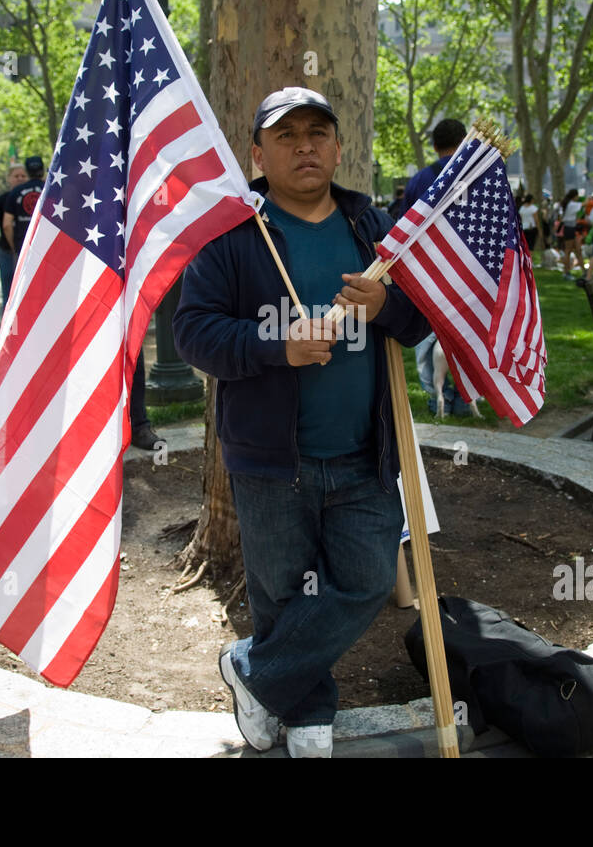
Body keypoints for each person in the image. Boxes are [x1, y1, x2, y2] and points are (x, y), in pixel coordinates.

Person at [174, 86, 429, 758]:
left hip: (363, 456)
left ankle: (254, 674)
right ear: (258, 154)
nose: (306, 146)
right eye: (287, 136)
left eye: (319, 132)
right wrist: (277, 347)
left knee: (368, 579)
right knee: (284, 595)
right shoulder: (233, 234)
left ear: (339, 148)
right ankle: (308, 706)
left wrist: (386, 307)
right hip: (270, 462)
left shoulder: (371, 228)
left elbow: (421, 319)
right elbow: (194, 335)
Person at [0, 163, 27, 309]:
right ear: (9, 178)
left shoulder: (36, 195)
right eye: (16, 176)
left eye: (23, 176)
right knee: (9, 294)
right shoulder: (1, 200)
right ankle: (12, 329)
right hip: (7, 253)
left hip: (30, 253)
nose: (20, 179)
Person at [403, 119, 465, 210]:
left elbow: (405, 222)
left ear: (435, 147)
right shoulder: (480, 175)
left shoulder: (417, 182)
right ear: (464, 142)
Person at [2, 155, 46, 263]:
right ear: (43, 170)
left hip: (23, 246)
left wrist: (15, 248)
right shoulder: (52, 190)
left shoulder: (16, 192)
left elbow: (6, 224)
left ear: (27, 171)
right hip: (47, 245)